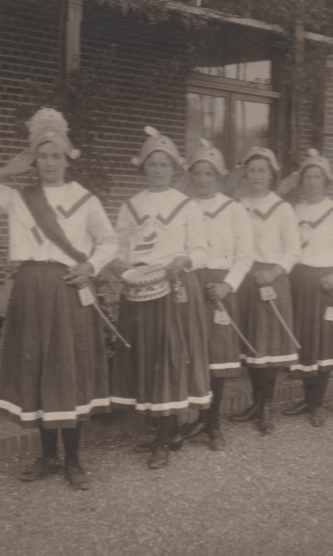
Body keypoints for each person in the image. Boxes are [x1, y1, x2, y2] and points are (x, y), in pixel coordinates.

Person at [0, 108, 118, 490]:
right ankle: (47, 457)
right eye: (42, 155)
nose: (49, 163)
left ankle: (74, 462)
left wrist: (90, 267)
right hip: (29, 290)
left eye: (55, 156)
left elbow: (110, 241)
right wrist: (5, 171)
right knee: (39, 370)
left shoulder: (84, 199)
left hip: (66, 289)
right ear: (34, 158)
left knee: (67, 369)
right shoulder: (18, 197)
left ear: (67, 159)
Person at [109, 126, 210, 468]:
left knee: (169, 360)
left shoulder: (186, 206)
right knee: (144, 359)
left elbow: (201, 251)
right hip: (137, 293)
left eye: (163, 164)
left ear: (173, 168)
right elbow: (119, 249)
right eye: (152, 163)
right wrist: (121, 266)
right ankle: (159, 431)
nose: (157, 169)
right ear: (143, 167)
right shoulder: (130, 206)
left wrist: (184, 261)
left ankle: (164, 441)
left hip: (173, 291)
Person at [181, 139, 254, 450]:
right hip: (188, 283)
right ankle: (194, 419)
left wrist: (227, 284)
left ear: (219, 176)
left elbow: (243, 254)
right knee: (191, 351)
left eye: (208, 173)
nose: (202, 179)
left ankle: (213, 425)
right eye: (197, 173)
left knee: (219, 355)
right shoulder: (181, 206)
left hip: (219, 287)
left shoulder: (233, 209)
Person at [229, 147, 301, 434]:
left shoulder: (282, 208)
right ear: (244, 173)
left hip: (271, 278)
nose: (256, 175)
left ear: (271, 174)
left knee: (268, 348)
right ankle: (256, 402)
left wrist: (272, 272)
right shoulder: (237, 205)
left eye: (262, 170)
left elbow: (293, 250)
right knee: (251, 346)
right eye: (252, 170)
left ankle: (267, 406)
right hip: (243, 279)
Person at [282, 149, 333, 426]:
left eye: (317, 177)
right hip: (299, 278)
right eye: (307, 177)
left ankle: (318, 404)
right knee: (304, 340)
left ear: (325, 180)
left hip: (326, 282)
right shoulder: (295, 210)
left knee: (323, 341)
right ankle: (306, 399)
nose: (312, 182)